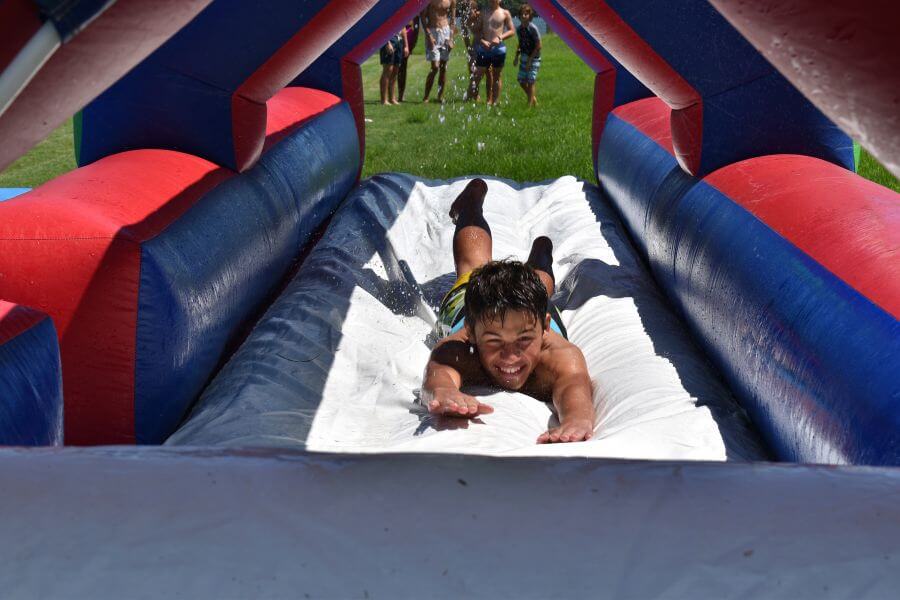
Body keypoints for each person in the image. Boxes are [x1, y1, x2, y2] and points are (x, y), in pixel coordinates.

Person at [422, 179, 595, 444]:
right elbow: (438, 375)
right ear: (472, 332)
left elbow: (575, 386)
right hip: (475, 308)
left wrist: (575, 420)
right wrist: (444, 392)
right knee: (472, 269)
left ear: (544, 327)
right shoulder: (460, 350)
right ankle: (469, 207)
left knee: (538, 288)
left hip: (531, 310)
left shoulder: (560, 356)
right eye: (493, 341)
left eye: (524, 341)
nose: (510, 356)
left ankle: (541, 255)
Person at [473, 0, 515, 106]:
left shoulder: (505, 13)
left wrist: (500, 37)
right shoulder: (483, 12)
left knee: (496, 75)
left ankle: (494, 101)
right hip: (484, 48)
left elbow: (512, 31)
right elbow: (476, 30)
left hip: (498, 48)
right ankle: (474, 97)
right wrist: (482, 41)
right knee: (478, 74)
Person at [422, 0, 456, 104]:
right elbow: (423, 17)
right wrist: (429, 36)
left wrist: (451, 38)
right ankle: (426, 96)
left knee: (443, 67)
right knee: (435, 67)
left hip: (446, 32)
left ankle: (440, 96)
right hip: (433, 30)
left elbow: (453, 20)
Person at [513, 3, 542, 106]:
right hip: (524, 57)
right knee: (521, 80)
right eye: (522, 14)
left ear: (530, 16)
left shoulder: (533, 28)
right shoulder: (519, 29)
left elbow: (538, 45)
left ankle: (529, 105)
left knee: (531, 81)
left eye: (526, 14)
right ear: (519, 16)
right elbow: (520, 44)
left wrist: (530, 60)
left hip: (534, 58)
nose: (524, 16)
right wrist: (516, 57)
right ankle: (532, 98)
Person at [379, 29, 409, 105]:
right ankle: (384, 100)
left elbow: (403, 28)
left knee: (395, 70)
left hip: (399, 40)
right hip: (389, 39)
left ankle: (392, 98)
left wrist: (406, 45)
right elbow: (383, 27)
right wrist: (387, 42)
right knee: (388, 69)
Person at [460, 0, 482, 101]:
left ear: (475, 10)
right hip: (475, 45)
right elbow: (465, 36)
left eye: (470, 11)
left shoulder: (480, 16)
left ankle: (470, 94)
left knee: (485, 72)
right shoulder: (464, 20)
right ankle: (475, 95)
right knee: (472, 70)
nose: (468, 13)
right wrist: (469, 49)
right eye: (465, 11)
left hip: (485, 45)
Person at [397, 18, 420, 102]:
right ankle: (397, 94)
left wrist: (413, 43)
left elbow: (417, 24)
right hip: (403, 30)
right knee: (399, 66)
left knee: (403, 65)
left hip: (411, 32)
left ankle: (401, 94)